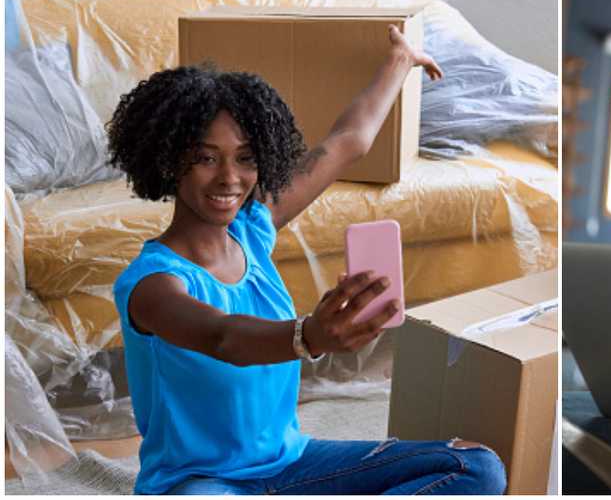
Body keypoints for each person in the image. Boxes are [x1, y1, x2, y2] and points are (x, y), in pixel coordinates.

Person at [107, 25, 507, 494]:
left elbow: (346, 142)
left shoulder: (252, 231)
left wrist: (400, 61)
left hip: (291, 464)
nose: (230, 178)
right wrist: (309, 335)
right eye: (206, 158)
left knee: (476, 468)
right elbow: (223, 337)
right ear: (169, 161)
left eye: (246, 158)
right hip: (203, 483)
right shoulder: (152, 285)